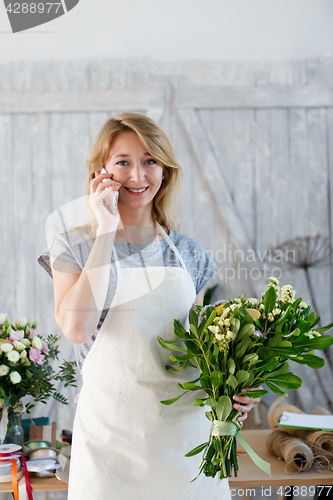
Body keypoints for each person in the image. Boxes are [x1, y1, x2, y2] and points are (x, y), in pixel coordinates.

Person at [38, 113, 260, 499]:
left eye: (150, 161)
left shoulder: (190, 254)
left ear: (165, 170)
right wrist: (105, 229)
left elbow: (198, 350)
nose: (137, 176)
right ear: (100, 172)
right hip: (109, 447)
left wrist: (232, 391)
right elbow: (75, 328)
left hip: (185, 445)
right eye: (123, 161)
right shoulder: (73, 247)